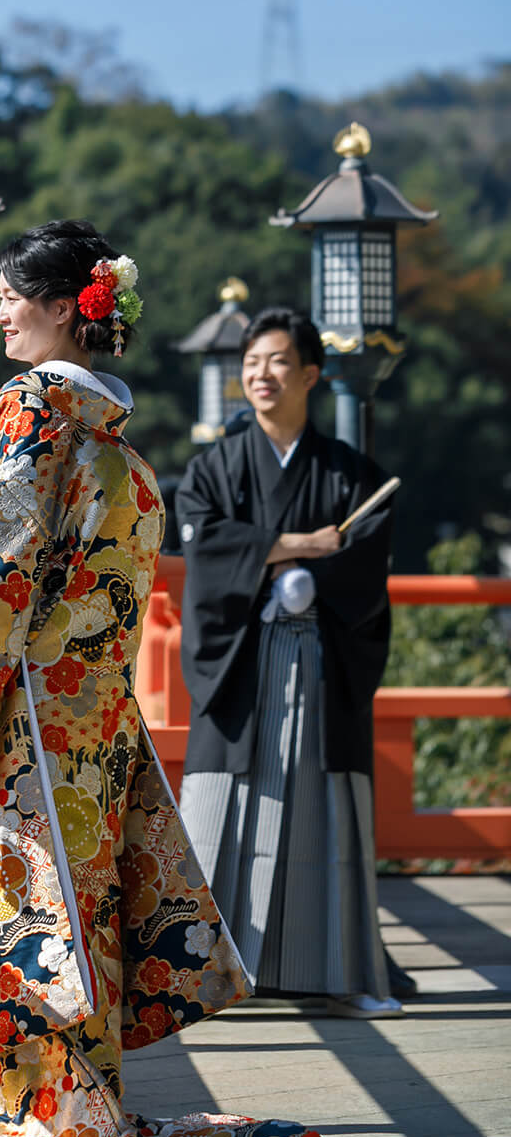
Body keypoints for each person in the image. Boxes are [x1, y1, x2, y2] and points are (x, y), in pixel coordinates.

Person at [0, 223, 324, 1137]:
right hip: (89, 717)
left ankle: (32, 1116)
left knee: (5, 907)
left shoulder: (34, 408)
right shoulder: (110, 433)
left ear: (65, 306)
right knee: (71, 905)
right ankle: (52, 1102)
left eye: (13, 295)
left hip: (25, 717)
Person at [176, 306, 400, 1019]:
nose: (259, 374)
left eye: (276, 361)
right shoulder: (213, 468)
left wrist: (312, 583)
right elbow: (203, 547)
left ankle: (337, 975)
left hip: (317, 664)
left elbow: (366, 568)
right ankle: (200, 981)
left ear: (310, 374)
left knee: (322, 816)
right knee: (220, 814)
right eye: (251, 363)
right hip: (242, 660)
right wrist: (299, 547)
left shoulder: (350, 472)